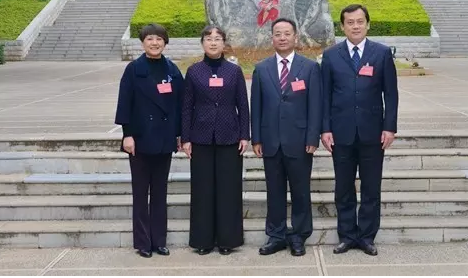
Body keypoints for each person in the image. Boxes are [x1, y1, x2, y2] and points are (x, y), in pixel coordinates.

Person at [320, 4, 399, 256]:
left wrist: (389, 127)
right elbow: (324, 96)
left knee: (371, 188)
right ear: (342, 26)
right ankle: (346, 235)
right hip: (340, 134)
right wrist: (325, 129)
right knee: (343, 188)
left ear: (368, 24)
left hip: (373, 134)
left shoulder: (381, 54)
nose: (355, 26)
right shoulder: (331, 55)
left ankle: (366, 237)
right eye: (350, 22)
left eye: (360, 21)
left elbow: (391, 94)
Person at [250, 18, 322, 257]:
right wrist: (256, 139)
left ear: (295, 37)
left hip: (300, 142)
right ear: (272, 38)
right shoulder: (261, 69)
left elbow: (315, 106)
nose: (282, 37)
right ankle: (276, 235)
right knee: (274, 191)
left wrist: (313, 137)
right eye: (277, 33)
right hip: (270, 142)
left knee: (301, 191)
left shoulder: (310, 68)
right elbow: (256, 107)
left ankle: (300, 235)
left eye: (286, 33)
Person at [114, 23, 185, 258]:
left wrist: (179, 134)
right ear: (142, 42)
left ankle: (159, 240)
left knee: (160, 193)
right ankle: (143, 242)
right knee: (140, 192)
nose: (155, 43)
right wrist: (127, 134)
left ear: (165, 42)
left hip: (164, 139)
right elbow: (125, 103)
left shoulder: (172, 69)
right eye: (150, 39)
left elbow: (179, 105)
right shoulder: (133, 69)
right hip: (140, 139)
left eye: (159, 39)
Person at [181, 26, 250, 256]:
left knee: (229, 190)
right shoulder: (193, 71)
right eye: (208, 39)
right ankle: (203, 240)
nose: (213, 43)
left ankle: (228, 240)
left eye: (217, 39)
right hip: (200, 137)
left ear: (224, 44)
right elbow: (186, 107)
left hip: (229, 137)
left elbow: (243, 104)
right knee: (202, 190)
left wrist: (244, 134)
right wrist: (186, 138)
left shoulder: (233, 71)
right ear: (202, 43)